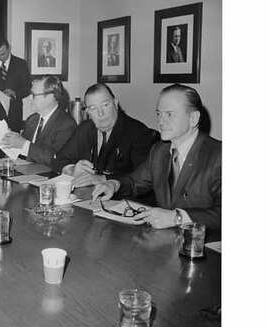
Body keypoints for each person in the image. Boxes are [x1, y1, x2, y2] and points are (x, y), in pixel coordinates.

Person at [92, 84, 221, 230]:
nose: (161, 121)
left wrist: (176, 217)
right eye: (159, 114)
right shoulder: (160, 150)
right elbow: (135, 182)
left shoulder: (218, 155)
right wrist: (114, 185)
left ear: (193, 118)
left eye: (169, 114)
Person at [54, 83, 157, 188]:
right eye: (93, 108)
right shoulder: (85, 128)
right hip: (88, 196)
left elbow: (143, 178)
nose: (100, 113)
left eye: (105, 105)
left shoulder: (138, 133)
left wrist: (103, 179)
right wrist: (72, 170)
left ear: (115, 104)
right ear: (88, 112)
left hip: (123, 200)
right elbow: (60, 158)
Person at [0, 75, 76, 166]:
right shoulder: (32, 120)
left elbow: (57, 159)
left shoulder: (66, 124)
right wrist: (10, 146)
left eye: (34, 95)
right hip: (25, 173)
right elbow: (22, 153)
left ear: (50, 97)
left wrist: (23, 144)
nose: (30, 99)